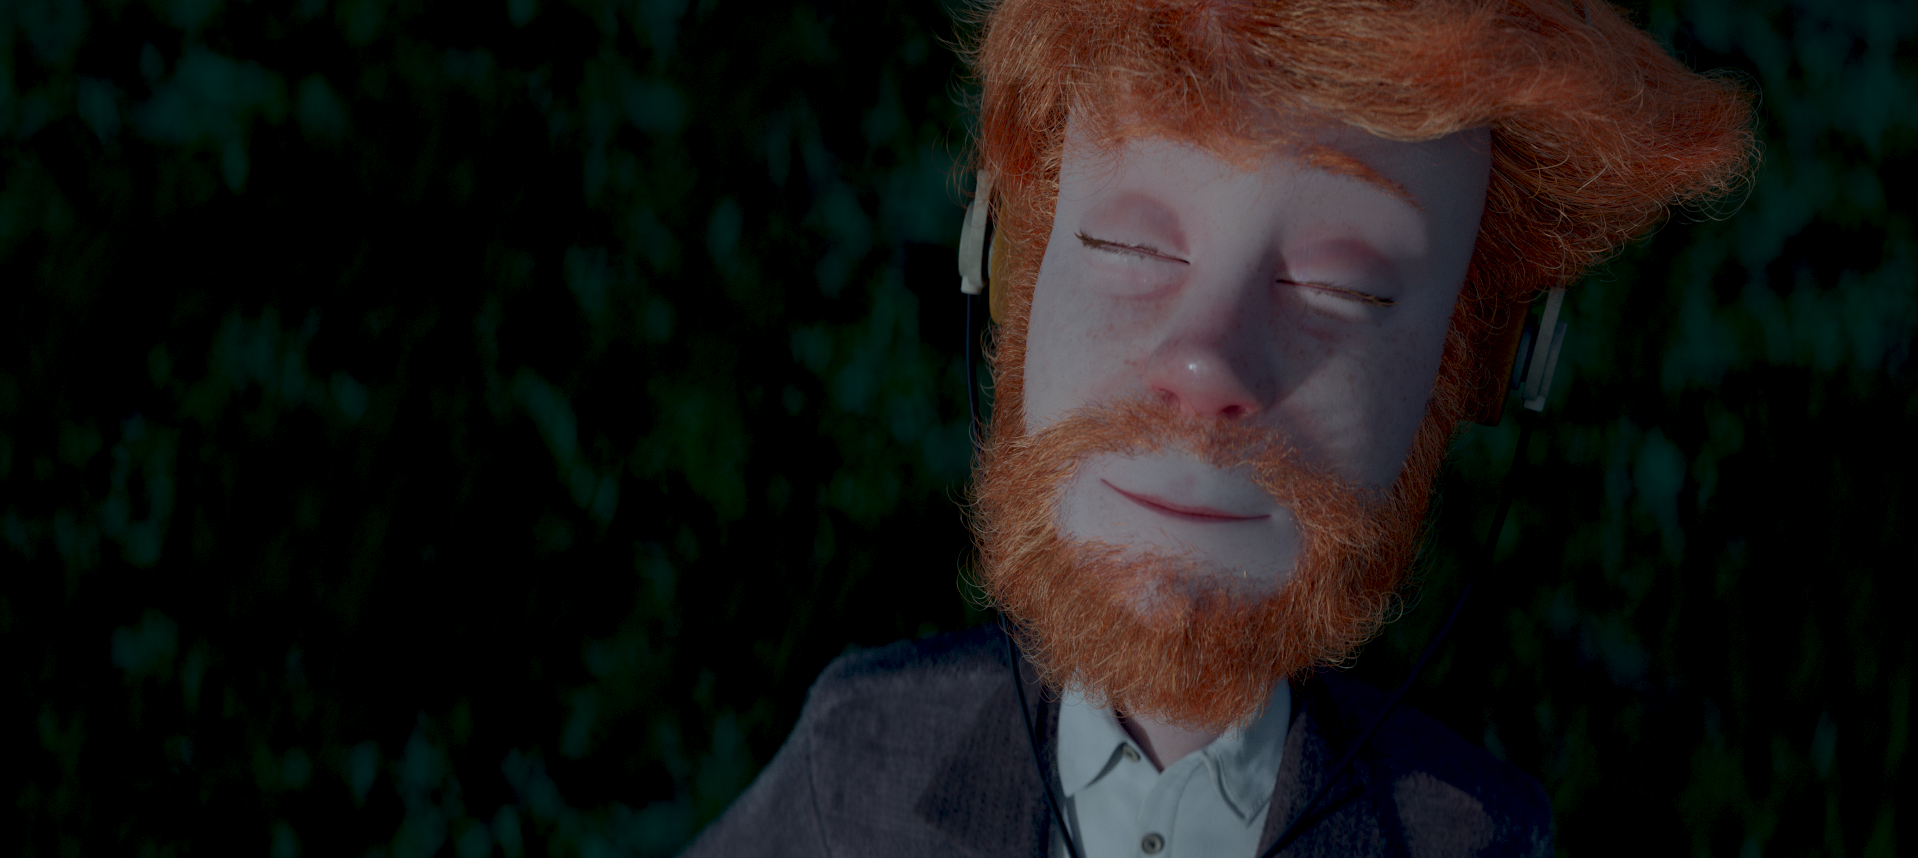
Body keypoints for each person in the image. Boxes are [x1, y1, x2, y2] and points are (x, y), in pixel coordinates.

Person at [685, 0, 1753, 855]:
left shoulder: (1472, 836)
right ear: (1007, 270)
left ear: (1483, 369)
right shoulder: (860, 756)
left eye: (1339, 289)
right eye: (1130, 247)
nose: (1204, 368)